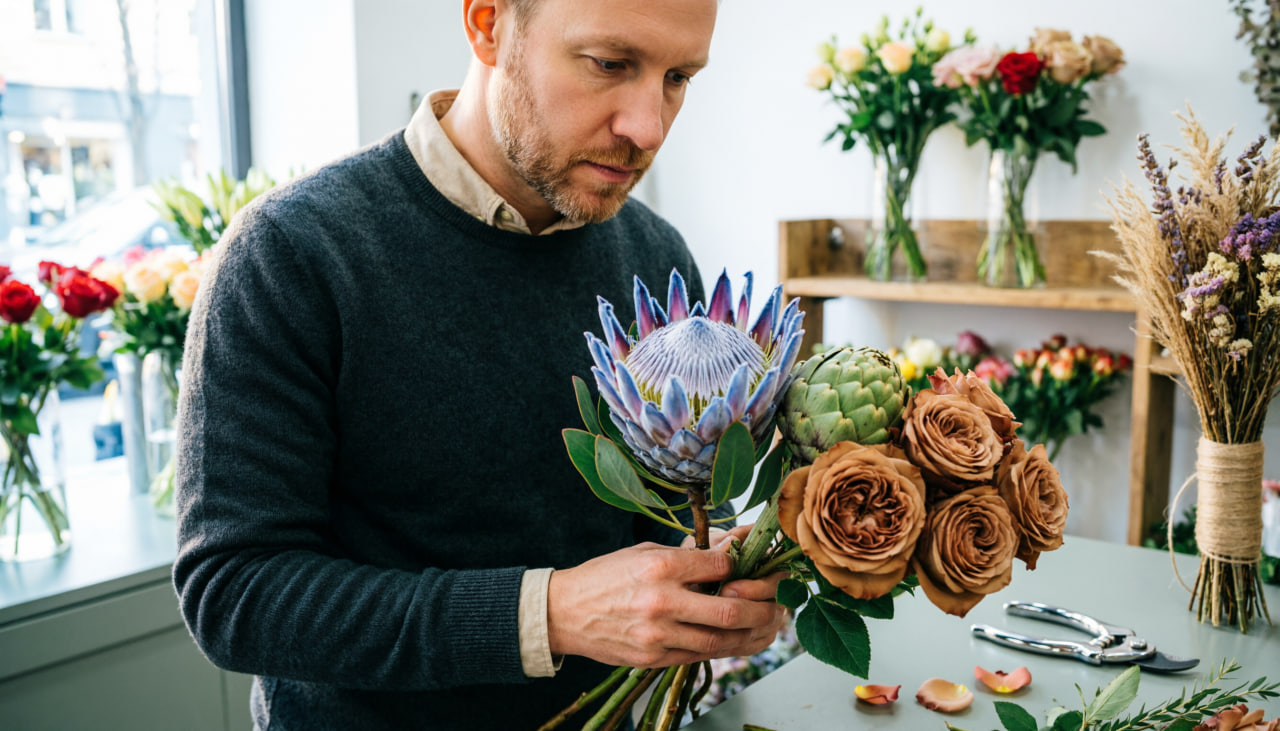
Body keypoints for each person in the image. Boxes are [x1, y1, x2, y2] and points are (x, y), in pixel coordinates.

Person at [172, 1, 786, 729]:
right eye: (610, 64)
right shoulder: (290, 253)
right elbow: (235, 595)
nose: (647, 128)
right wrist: (546, 615)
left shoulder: (656, 261)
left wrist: (714, 581)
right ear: (488, 24)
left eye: (678, 77)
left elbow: (660, 524)